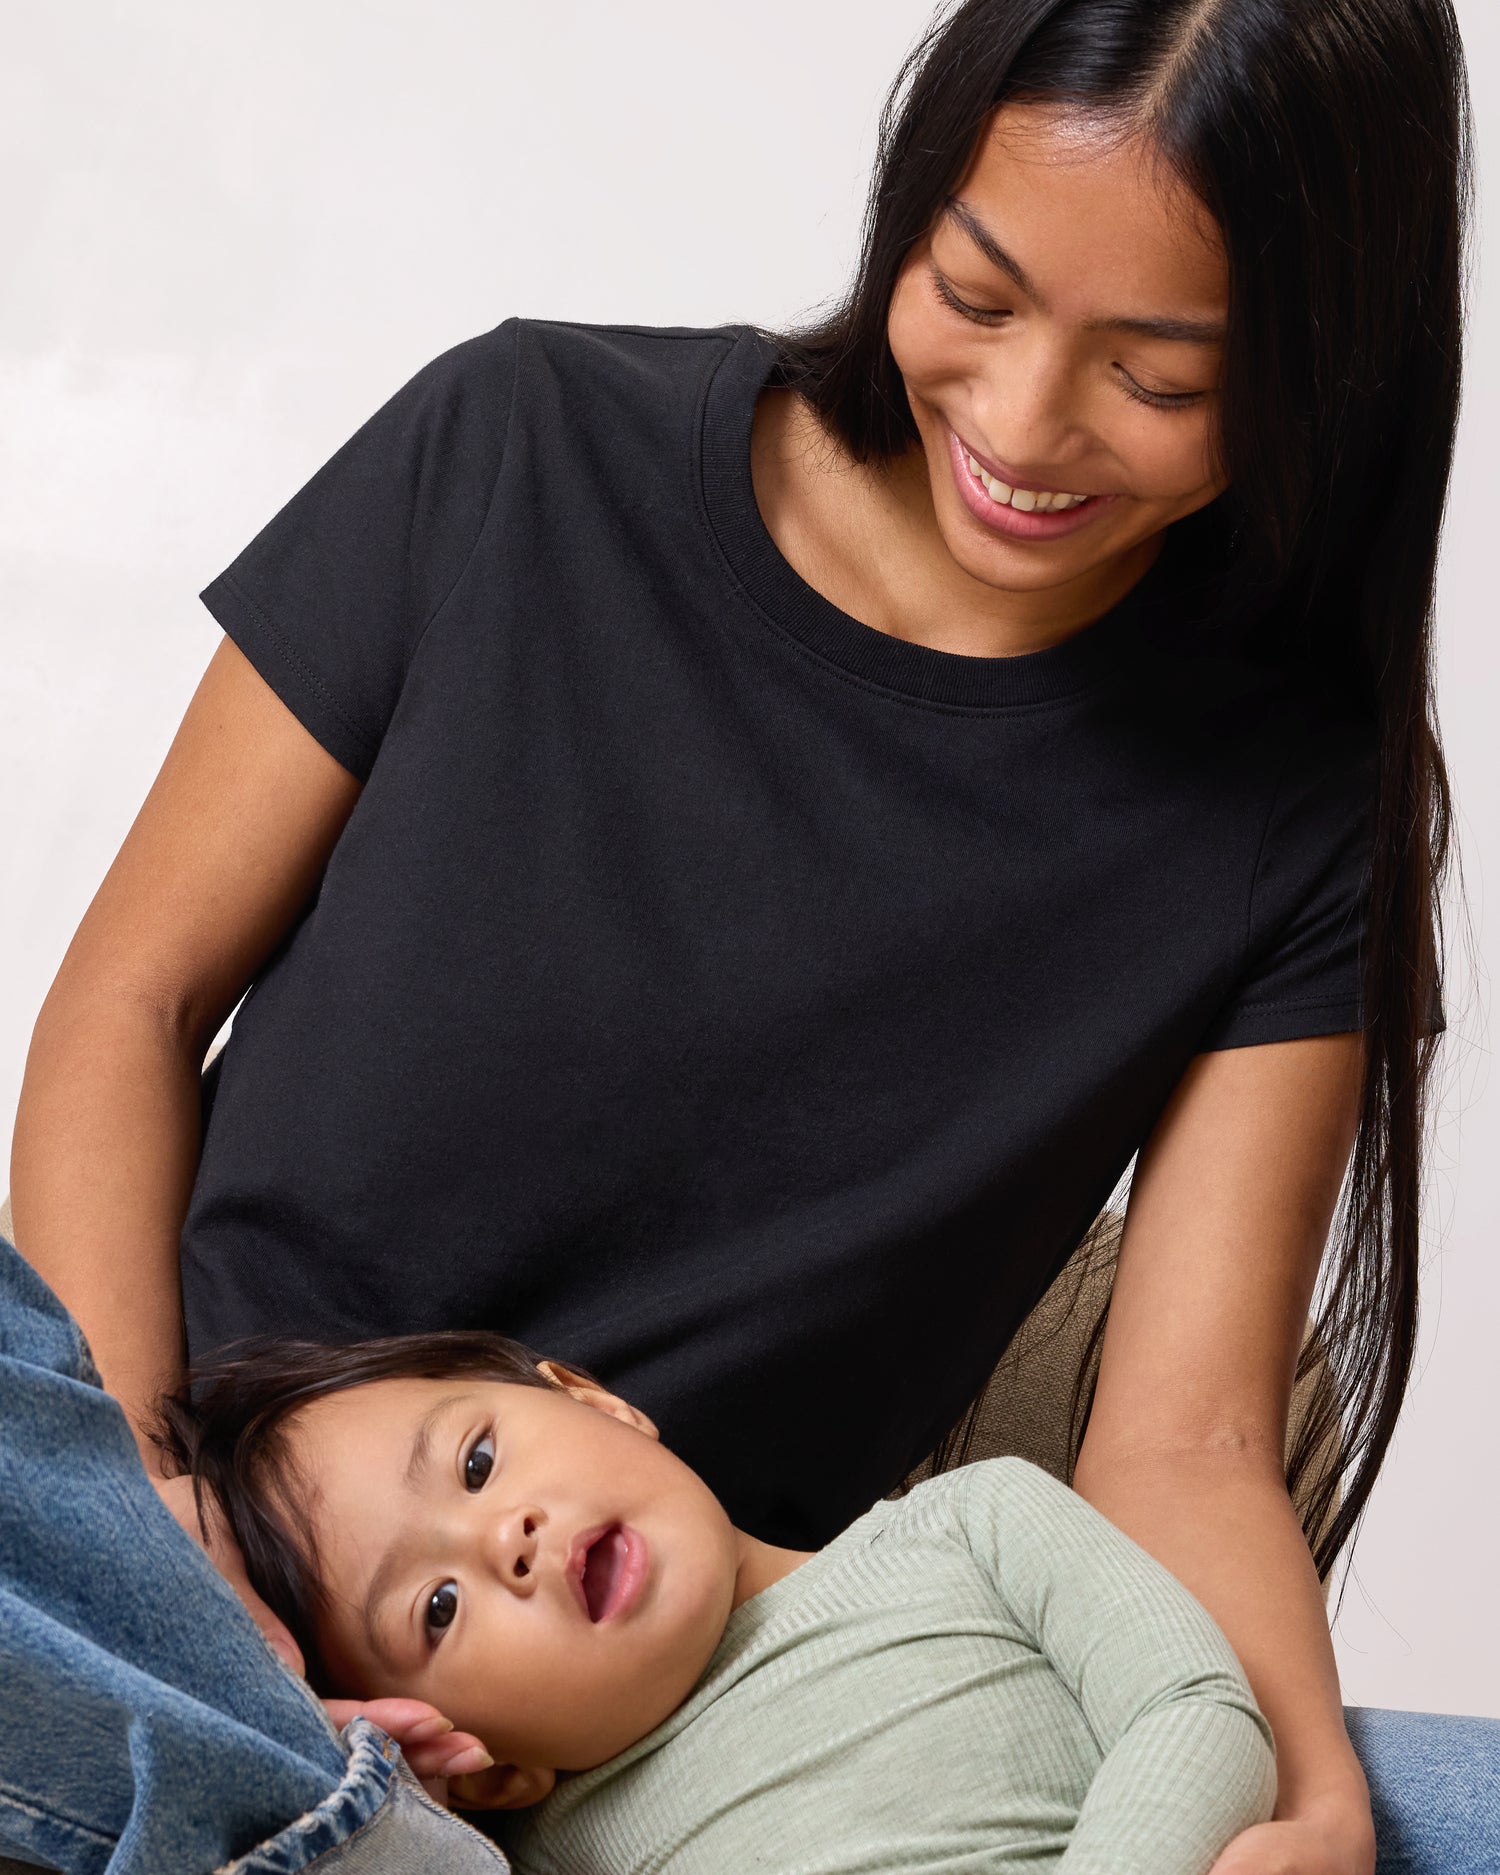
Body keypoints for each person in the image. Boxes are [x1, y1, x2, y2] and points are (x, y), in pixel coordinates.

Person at [5, 1, 1491, 1870]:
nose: (1025, 427)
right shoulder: (523, 442)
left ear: (1325, 376)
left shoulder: (1285, 803)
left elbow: (1183, 1441)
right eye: (978, 292)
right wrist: (156, 1526)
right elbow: (128, 1006)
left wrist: (1318, 1809)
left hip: (674, 1760)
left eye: (1161, 377)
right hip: (129, 1571)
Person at [147, 1321, 1282, 1874]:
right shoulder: (547, 1845)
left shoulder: (973, 1524)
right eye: (436, 1608)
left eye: (479, 1463)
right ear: (487, 1763)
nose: (511, 1539)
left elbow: (1193, 1707)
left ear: (596, 1402)